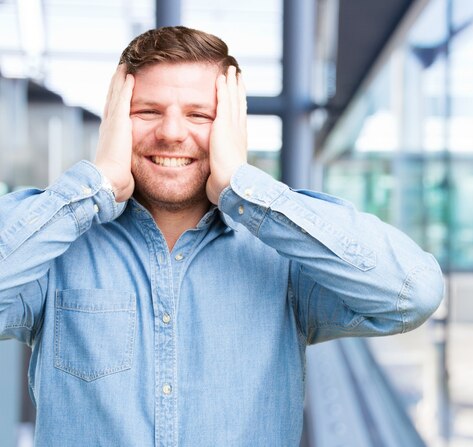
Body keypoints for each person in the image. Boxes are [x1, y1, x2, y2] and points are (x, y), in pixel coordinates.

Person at [0, 26, 444, 446]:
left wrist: (245, 186)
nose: (172, 133)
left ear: (233, 127)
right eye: (147, 112)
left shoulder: (286, 256)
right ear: (114, 121)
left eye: (200, 115)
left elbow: (411, 293)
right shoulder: (55, 244)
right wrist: (94, 186)